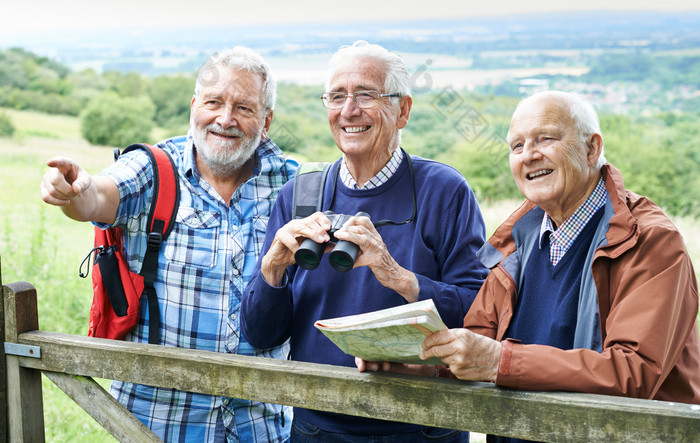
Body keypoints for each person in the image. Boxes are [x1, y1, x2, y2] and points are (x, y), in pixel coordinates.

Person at [359, 90, 700, 441]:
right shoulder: (514, 242)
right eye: (517, 146)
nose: (529, 156)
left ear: (591, 148)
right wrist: (422, 368)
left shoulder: (650, 241)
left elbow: (634, 373)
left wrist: (500, 362)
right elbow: (481, 345)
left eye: (545, 139)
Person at [40, 47, 298, 442]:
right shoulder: (154, 168)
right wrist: (75, 191)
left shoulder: (294, 185)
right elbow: (99, 197)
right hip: (158, 422)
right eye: (214, 102)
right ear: (195, 106)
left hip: (259, 424)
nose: (225, 119)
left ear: (266, 122)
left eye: (244, 108)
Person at [240, 40, 489, 442]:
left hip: (421, 429)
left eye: (366, 95)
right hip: (318, 427)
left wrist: (396, 275)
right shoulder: (300, 196)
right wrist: (272, 269)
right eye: (336, 96)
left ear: (403, 110)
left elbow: (480, 315)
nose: (348, 110)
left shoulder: (443, 191)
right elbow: (260, 335)